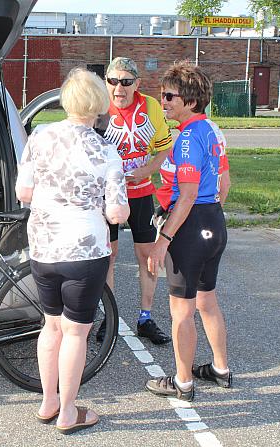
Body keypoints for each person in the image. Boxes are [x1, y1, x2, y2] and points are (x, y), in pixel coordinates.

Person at [15, 67, 129, 434]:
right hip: (85, 251)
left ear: (66, 100)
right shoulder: (106, 150)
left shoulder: (40, 137)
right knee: (76, 333)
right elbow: (115, 212)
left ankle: (48, 401)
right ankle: (67, 412)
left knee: (50, 327)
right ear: (98, 104)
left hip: (44, 249)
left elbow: (24, 193)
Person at [145, 61, 231, 402]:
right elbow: (224, 183)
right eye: (162, 95)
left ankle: (182, 382)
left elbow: (189, 193)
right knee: (207, 301)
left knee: (181, 311)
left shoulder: (186, 139)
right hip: (214, 222)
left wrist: (162, 241)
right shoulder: (211, 129)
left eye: (169, 96)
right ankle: (220, 369)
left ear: (190, 102)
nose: (163, 102)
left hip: (192, 224)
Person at [98, 57, 173, 345]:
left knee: (147, 257)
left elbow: (164, 150)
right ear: (106, 82)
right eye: (113, 81)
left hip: (141, 191)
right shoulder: (99, 107)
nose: (119, 87)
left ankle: (146, 317)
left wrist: (146, 170)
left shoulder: (151, 106)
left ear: (137, 84)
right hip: (107, 195)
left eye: (126, 82)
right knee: (109, 256)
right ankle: (110, 317)